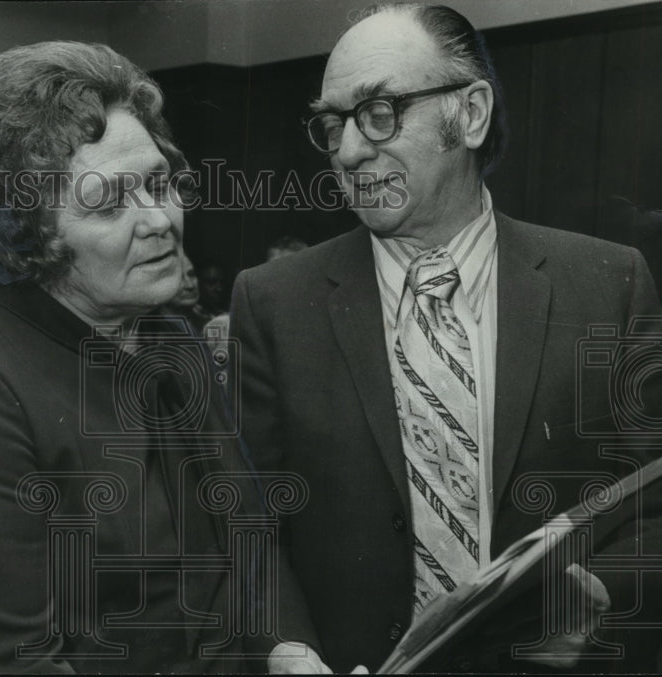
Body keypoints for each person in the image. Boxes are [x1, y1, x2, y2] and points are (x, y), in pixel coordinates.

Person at [230, 3, 662, 673]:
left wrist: (601, 597)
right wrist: (287, 649)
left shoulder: (607, 284)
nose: (346, 151)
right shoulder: (272, 303)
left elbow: (654, 503)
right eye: (331, 123)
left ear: (470, 113)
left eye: (379, 112)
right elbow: (248, 526)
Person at [0, 41, 321, 674]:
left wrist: (290, 651)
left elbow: (247, 535)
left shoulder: (172, 338)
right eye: (110, 203)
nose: (159, 220)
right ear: (29, 231)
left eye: (160, 183)